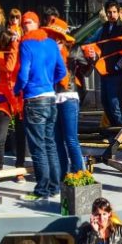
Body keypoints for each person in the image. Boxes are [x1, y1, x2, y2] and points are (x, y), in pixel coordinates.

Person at [13, 11, 66, 201]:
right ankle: (55, 186)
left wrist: (16, 90)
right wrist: (50, 82)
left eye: (27, 23)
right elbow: (62, 70)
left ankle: (43, 189)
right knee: (50, 143)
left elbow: (23, 74)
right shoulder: (51, 43)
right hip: (50, 98)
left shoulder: (26, 44)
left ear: (34, 24)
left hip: (34, 99)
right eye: (24, 23)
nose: (25, 26)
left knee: (38, 147)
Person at [46, 20, 87, 179]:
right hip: (53, 97)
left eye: (57, 35)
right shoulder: (48, 52)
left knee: (70, 138)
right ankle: (63, 174)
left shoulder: (73, 50)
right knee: (57, 140)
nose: (54, 38)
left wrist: (92, 57)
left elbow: (86, 69)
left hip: (68, 96)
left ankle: (79, 174)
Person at [83, 0, 122, 127]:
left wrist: (116, 67)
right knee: (106, 103)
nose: (112, 15)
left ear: (119, 12)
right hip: (105, 72)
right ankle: (115, 132)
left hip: (118, 74)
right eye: (109, 12)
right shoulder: (104, 28)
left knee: (115, 104)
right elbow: (93, 42)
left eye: (114, 12)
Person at [0, 27, 26, 180]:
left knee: (20, 135)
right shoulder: (1, 55)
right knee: (0, 136)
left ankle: (20, 169)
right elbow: (9, 67)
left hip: (18, 97)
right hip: (4, 98)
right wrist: (13, 45)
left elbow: (14, 66)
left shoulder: (18, 50)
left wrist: (16, 44)